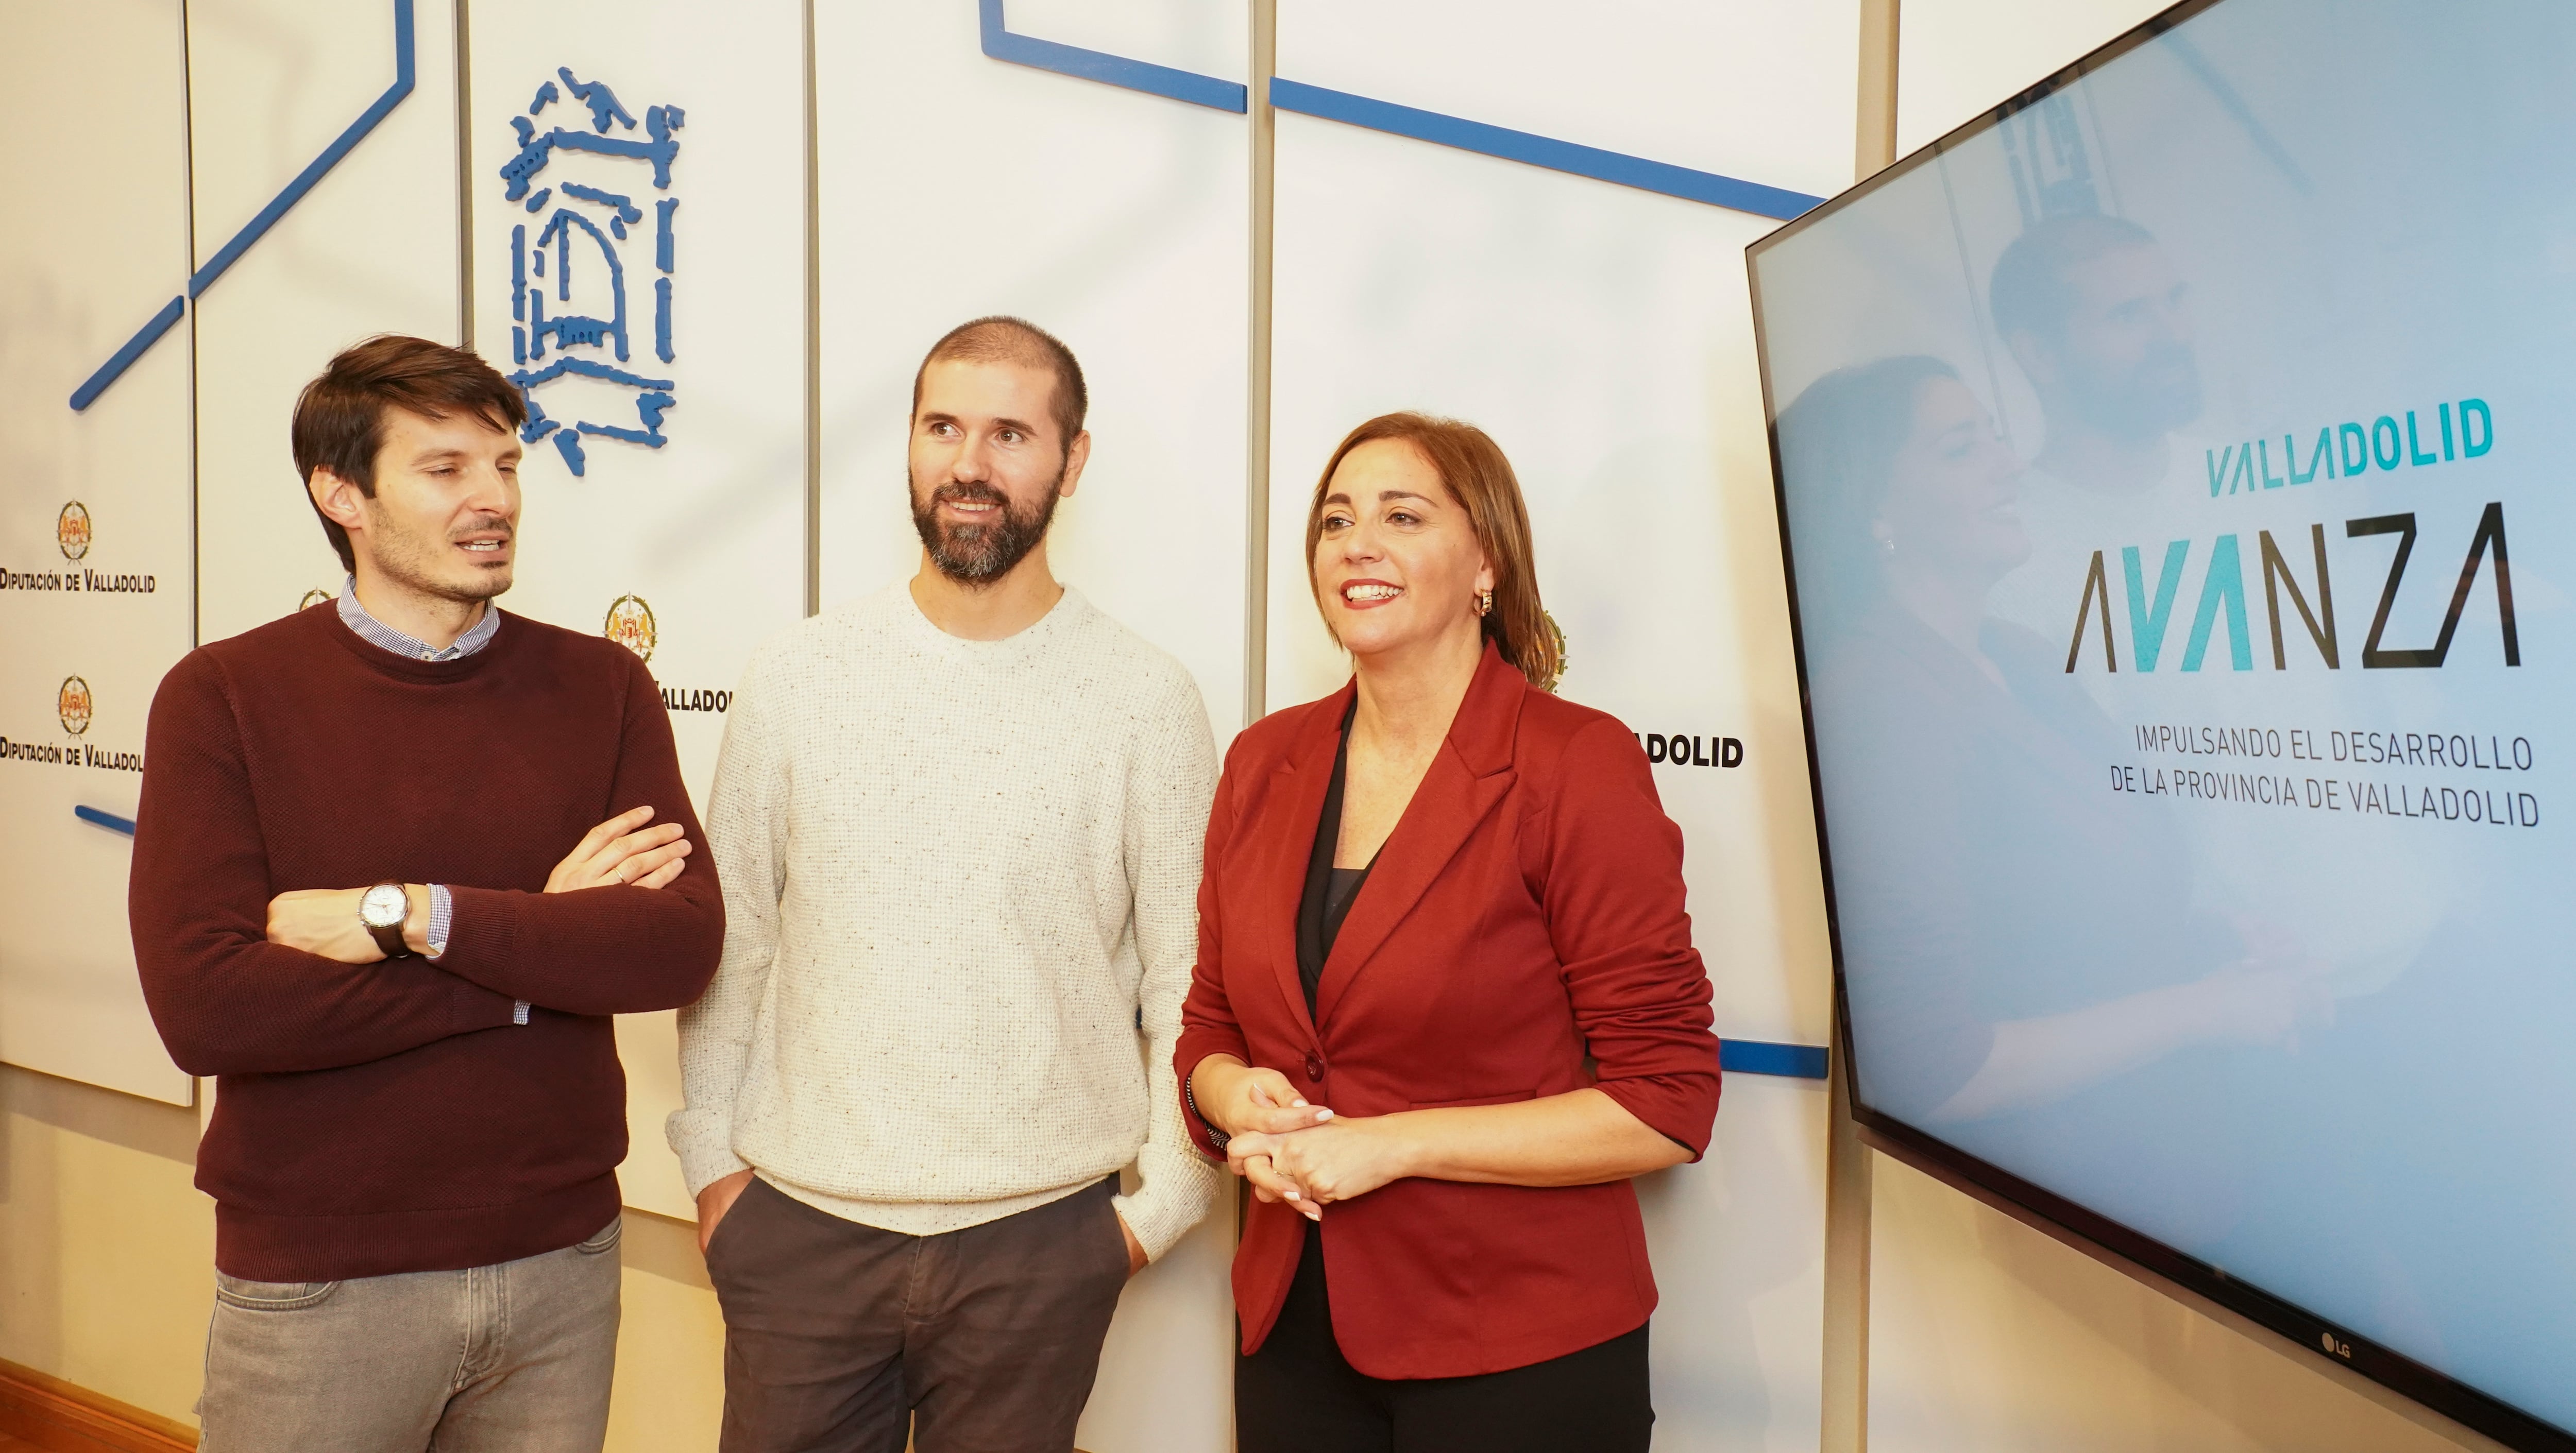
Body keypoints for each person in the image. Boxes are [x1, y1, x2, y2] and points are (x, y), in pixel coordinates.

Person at [129, 335, 726, 1453]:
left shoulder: (605, 687)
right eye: (444, 469)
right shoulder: (223, 698)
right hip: (321, 1278)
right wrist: (535, 954)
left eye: (504, 465)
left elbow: (673, 950)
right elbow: (208, 1010)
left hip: (561, 1260)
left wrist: (406, 917)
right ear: (340, 492)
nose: (492, 498)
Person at [671, 316, 1222, 1453]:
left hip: (1040, 1243)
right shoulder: (795, 675)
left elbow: (1186, 971)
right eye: (943, 428)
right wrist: (715, 1169)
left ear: (1071, 463)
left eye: (1010, 433)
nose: (970, 464)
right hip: (799, 1234)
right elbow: (739, 941)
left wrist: (1162, 1205)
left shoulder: (1147, 698)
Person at [1176, 413, 1721, 1452]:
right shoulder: (1262, 761)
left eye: (1401, 514)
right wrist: (1229, 1091)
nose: (1356, 542)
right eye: (1335, 519)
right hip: (1292, 1332)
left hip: (1516, 1349)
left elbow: (1665, 1101)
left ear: (1486, 561)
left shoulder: (1575, 765)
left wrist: (1390, 1145)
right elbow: (1209, 1021)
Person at [1777, 356, 2329, 1245]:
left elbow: (2046, 920)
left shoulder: (2019, 657)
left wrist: (2212, 944)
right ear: (1875, 510)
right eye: (1963, 449)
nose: (2009, 464)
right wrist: (2209, 1007)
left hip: (2182, 1146)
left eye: (1995, 436)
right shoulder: (1881, 703)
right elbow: (1934, 1070)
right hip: (2092, 1186)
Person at [1979, 212, 2208, 643]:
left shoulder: (2262, 486)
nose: (2174, 334)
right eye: (2128, 316)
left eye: (2175, 300)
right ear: (2040, 353)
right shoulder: (2008, 558)